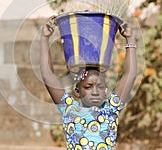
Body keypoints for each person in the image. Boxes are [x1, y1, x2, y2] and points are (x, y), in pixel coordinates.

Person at [40, 16, 137, 150]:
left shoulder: (111, 109)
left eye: (100, 86)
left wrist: (130, 39)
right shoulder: (70, 110)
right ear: (77, 91)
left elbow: (129, 75)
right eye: (88, 87)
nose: (95, 91)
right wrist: (45, 38)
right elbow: (47, 75)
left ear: (105, 91)